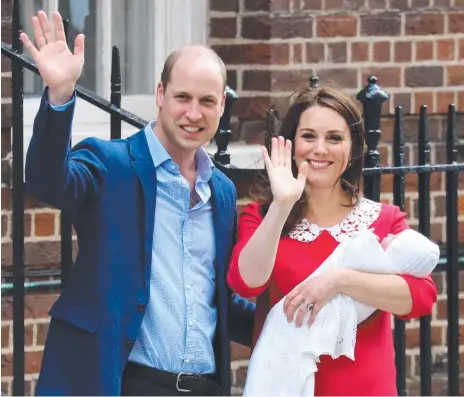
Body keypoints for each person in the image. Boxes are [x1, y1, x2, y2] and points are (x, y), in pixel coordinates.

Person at [21, 10, 254, 397]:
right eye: (182, 97)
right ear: (160, 94)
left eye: (207, 101)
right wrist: (60, 95)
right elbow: (47, 182)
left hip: (203, 387)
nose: (193, 114)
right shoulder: (110, 164)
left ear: (221, 107)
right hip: (124, 383)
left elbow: (219, 297)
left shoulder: (223, 190)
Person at [227, 83, 438, 396]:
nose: (320, 149)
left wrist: (340, 280)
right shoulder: (261, 217)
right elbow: (247, 283)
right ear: (291, 144)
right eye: (309, 136)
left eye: (334, 138)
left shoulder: (383, 219)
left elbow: (421, 297)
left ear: (352, 149)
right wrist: (282, 205)